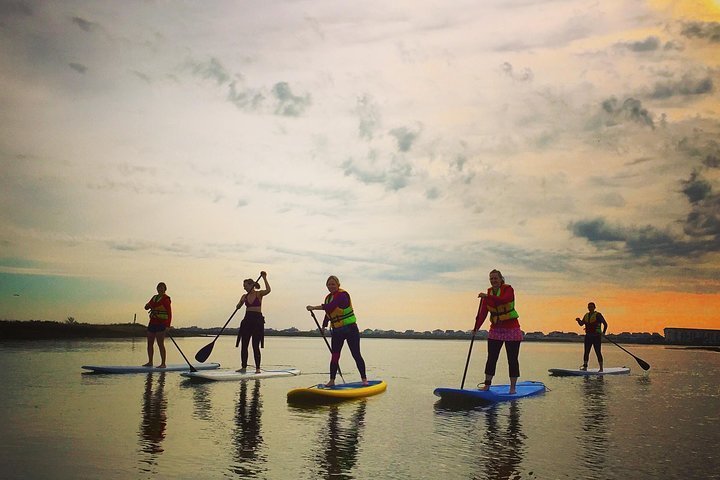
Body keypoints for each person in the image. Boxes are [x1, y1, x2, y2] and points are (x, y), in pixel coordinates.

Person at [306, 275, 367, 387]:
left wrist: (314, 307)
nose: (331, 286)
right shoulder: (328, 297)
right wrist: (324, 326)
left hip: (350, 329)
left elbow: (331, 307)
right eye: (329, 284)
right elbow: (328, 313)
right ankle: (332, 380)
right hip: (337, 330)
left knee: (356, 354)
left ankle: (364, 379)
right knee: (335, 355)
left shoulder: (343, 295)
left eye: (333, 284)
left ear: (338, 285)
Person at [474, 269, 523, 394]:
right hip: (496, 329)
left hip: (512, 329)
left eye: (495, 278)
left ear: (501, 279)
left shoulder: (508, 289)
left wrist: (487, 296)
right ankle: (487, 385)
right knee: (491, 357)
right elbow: (482, 314)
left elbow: (504, 300)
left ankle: (512, 388)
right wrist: (476, 328)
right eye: (491, 279)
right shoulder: (488, 294)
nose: (493, 281)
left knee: (512, 359)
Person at [235, 271, 271, 373]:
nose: (244, 288)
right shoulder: (244, 296)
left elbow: (268, 290)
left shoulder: (259, 294)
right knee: (244, 345)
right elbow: (238, 307)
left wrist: (264, 278)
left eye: (245, 286)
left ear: (251, 285)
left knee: (255, 345)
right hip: (247, 320)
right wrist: (239, 304)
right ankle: (243, 367)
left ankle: (258, 368)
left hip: (257, 321)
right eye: (243, 286)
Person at [143, 282, 172, 368]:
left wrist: (167, 326)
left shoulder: (166, 299)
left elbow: (169, 313)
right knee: (150, 343)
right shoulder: (154, 298)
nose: (160, 289)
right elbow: (146, 307)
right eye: (158, 287)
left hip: (161, 323)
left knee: (160, 343)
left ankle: (163, 363)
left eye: (162, 288)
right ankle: (150, 362)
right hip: (152, 323)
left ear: (164, 289)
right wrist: (147, 306)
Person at [576, 302, 608, 371]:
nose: (590, 308)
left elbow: (605, 324)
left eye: (591, 307)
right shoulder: (586, 315)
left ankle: (601, 368)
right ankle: (585, 367)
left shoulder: (598, 315)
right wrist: (578, 320)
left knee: (598, 352)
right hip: (588, 336)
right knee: (586, 352)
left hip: (596, 336)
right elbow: (581, 324)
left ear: (594, 307)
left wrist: (603, 333)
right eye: (589, 307)